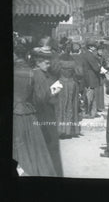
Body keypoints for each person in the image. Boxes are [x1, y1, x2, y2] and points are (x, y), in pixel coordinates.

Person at [13, 52, 57, 176]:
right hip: (26, 113)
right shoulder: (32, 74)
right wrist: (52, 92)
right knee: (32, 147)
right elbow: (40, 98)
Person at [31, 47, 64, 177]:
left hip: (46, 112)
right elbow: (40, 98)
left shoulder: (43, 73)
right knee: (50, 145)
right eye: (45, 62)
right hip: (42, 114)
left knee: (49, 145)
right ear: (37, 62)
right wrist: (54, 90)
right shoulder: (37, 74)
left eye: (49, 61)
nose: (48, 64)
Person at [55, 53, 81, 138]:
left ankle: (60, 129)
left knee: (59, 106)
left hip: (59, 82)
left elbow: (54, 72)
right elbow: (80, 74)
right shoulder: (74, 63)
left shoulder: (59, 62)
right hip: (71, 83)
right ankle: (69, 130)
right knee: (72, 106)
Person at [80, 39, 102, 118]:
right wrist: (100, 67)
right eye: (94, 46)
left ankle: (92, 112)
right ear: (90, 47)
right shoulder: (90, 55)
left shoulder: (85, 54)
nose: (95, 48)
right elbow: (96, 68)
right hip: (91, 77)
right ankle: (88, 113)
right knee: (90, 96)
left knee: (90, 95)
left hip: (87, 76)